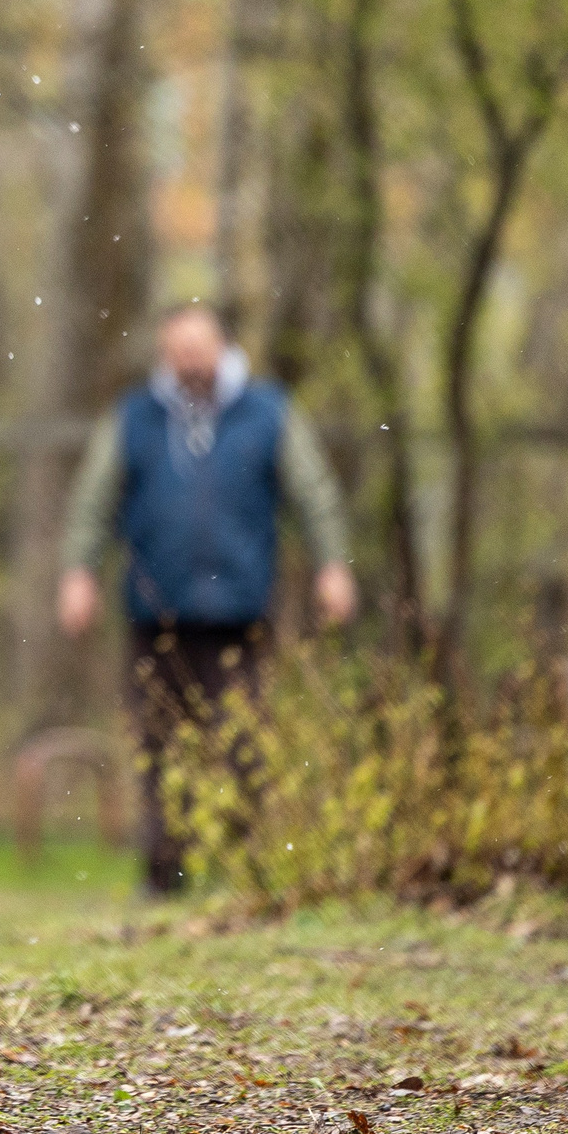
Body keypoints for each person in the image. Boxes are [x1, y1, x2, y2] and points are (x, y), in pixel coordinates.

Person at [56, 303, 356, 894]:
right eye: (179, 349)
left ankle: (246, 871)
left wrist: (333, 564)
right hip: (155, 610)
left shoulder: (269, 412)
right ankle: (164, 871)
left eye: (199, 346)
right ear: (164, 354)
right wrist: (79, 572)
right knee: (157, 745)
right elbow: (94, 500)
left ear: (223, 346)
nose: (190, 359)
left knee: (245, 746)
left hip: (241, 611)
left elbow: (314, 494)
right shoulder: (134, 417)